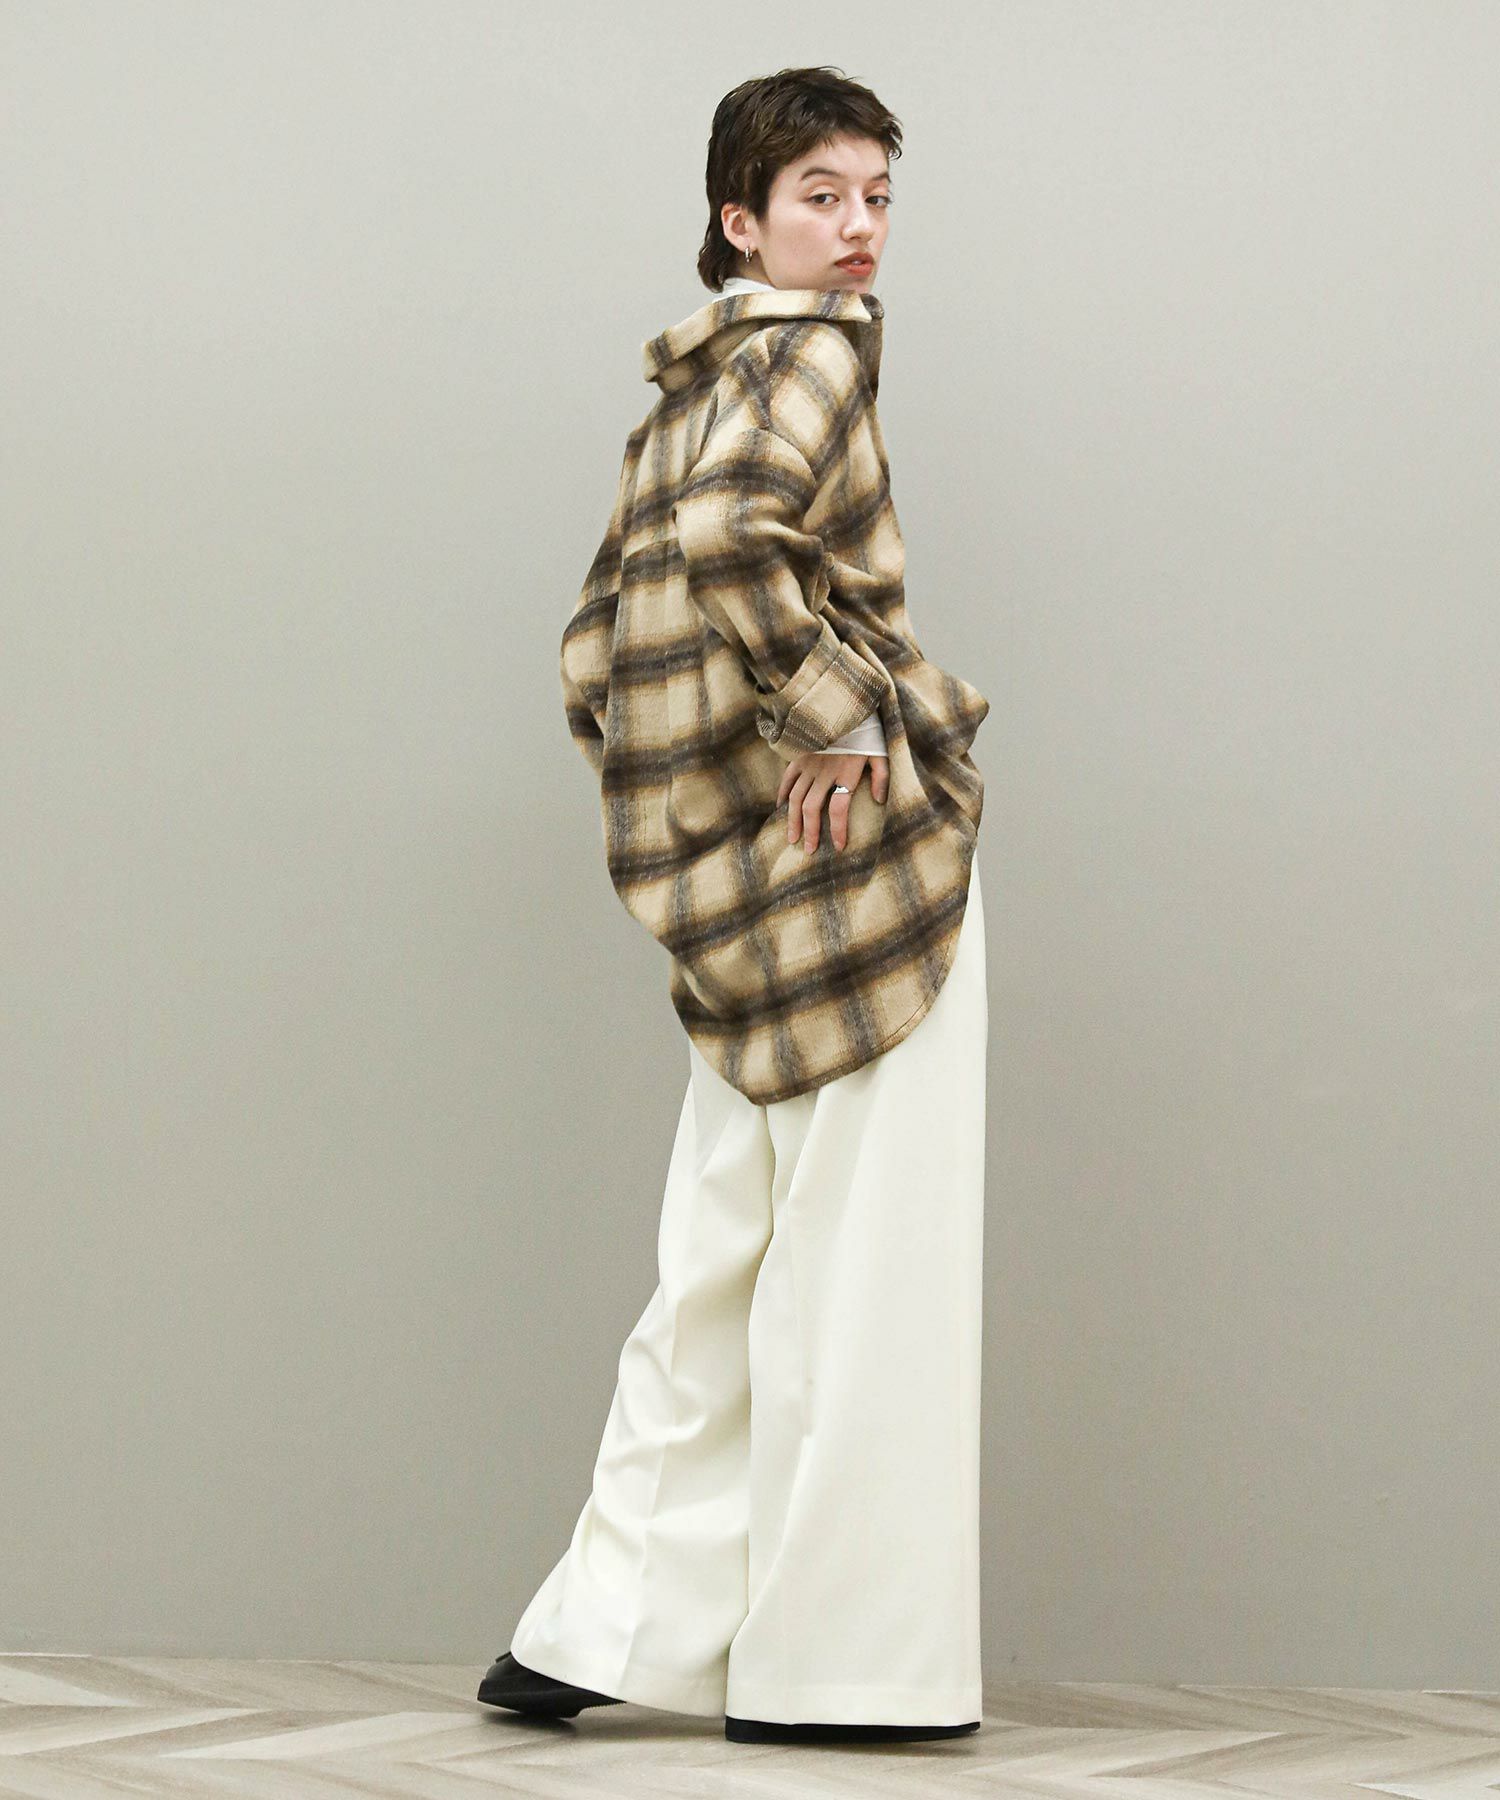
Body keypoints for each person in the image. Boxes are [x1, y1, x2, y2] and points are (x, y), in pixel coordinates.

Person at [479, 65, 992, 1747]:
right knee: (868, 1256)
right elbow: (734, 539)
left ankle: (601, 1626)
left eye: (877, 197)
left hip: (746, 882)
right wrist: (838, 717)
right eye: (821, 197)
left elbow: (596, 645)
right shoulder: (813, 358)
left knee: (721, 1244)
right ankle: (844, 1669)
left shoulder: (689, 386)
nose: (860, 230)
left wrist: (707, 811)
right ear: (741, 218)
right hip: (863, 863)